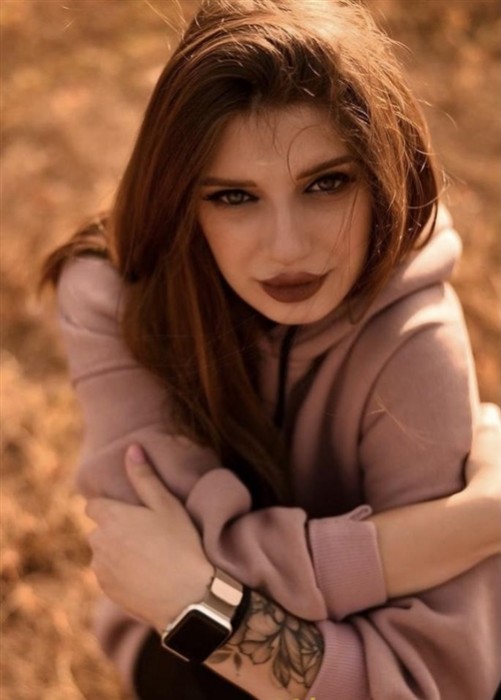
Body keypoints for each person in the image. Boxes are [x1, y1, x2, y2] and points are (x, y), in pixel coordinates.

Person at [42, 0, 501, 698]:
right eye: (234, 197)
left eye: (326, 183)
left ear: (382, 178)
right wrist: (463, 527)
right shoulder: (114, 291)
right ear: (182, 201)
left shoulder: (416, 338)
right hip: (180, 653)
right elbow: (142, 543)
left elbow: (426, 679)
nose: (287, 247)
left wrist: (197, 596)